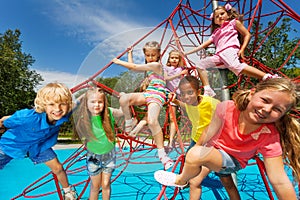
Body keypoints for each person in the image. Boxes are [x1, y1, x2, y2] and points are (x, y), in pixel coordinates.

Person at [154, 78, 300, 200]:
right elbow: (208, 131)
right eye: (265, 100)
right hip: (214, 152)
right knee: (212, 182)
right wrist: (197, 146)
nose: (267, 109)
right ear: (252, 93)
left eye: (277, 109)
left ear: (282, 115)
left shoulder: (269, 135)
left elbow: (279, 180)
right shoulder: (227, 108)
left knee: (195, 162)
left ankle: (180, 180)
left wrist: (195, 153)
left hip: (233, 161)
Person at [0, 82, 77, 200]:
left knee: (58, 168)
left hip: (39, 146)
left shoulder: (63, 114)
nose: (57, 109)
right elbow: (4, 122)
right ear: (43, 105)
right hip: (13, 144)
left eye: (63, 104)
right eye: (51, 104)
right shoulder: (26, 117)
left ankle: (68, 192)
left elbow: (79, 102)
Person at [183, 3, 278, 97]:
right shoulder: (215, 33)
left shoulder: (233, 23)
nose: (220, 17)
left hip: (229, 49)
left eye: (222, 14)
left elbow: (247, 35)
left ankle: (267, 77)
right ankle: (208, 89)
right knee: (200, 65)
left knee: (235, 66)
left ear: (228, 15)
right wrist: (187, 52)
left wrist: (242, 49)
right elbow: (203, 45)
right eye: (216, 16)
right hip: (219, 56)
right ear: (214, 21)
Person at [112, 41, 174, 170]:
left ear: (158, 55)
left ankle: (162, 154)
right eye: (148, 55)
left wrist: (118, 62)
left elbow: (133, 67)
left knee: (152, 121)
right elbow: (132, 68)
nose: (150, 57)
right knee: (124, 99)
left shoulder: (156, 65)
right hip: (148, 92)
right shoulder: (150, 67)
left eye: (153, 55)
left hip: (158, 95)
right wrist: (130, 53)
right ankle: (129, 121)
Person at [170, 75, 220, 199]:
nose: (186, 97)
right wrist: (176, 101)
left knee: (202, 162)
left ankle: (194, 179)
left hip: (210, 140)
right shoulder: (189, 103)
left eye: (190, 93)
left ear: (198, 91)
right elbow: (184, 105)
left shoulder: (211, 103)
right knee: (188, 159)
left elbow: (226, 114)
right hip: (195, 138)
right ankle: (186, 180)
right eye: (183, 94)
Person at [73, 88, 123, 200]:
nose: (96, 105)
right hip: (93, 157)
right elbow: (70, 108)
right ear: (86, 103)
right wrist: (82, 96)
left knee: (106, 185)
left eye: (100, 102)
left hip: (109, 156)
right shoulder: (84, 116)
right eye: (92, 101)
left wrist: (123, 100)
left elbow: (122, 112)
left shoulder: (109, 112)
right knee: (95, 186)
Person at [163, 50, 188, 149]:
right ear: (169, 59)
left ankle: (172, 140)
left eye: (176, 58)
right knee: (172, 118)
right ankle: (170, 140)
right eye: (172, 57)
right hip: (169, 93)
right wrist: (180, 74)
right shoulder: (166, 68)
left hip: (180, 94)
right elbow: (165, 78)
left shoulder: (182, 68)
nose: (174, 59)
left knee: (187, 114)